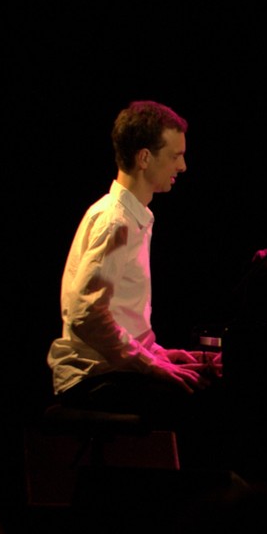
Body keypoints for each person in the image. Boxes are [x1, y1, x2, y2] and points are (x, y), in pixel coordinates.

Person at [47, 100, 220, 427]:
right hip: (91, 377)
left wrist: (159, 353)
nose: (182, 166)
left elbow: (114, 317)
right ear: (144, 158)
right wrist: (150, 364)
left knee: (206, 382)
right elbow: (86, 313)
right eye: (175, 156)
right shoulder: (116, 221)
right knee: (201, 403)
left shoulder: (133, 217)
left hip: (111, 369)